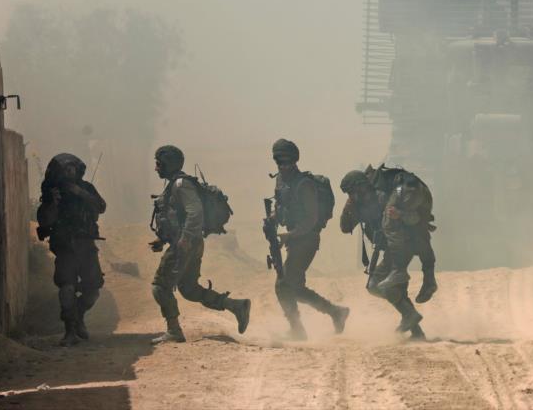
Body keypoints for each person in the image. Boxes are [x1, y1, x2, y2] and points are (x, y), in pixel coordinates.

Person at [150, 145, 251, 344]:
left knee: (160, 286)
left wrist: (185, 239)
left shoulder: (180, 185)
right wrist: (162, 240)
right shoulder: (175, 185)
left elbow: (195, 211)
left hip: (185, 244)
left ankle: (174, 330)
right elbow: (175, 217)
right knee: (188, 289)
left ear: (169, 164)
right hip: (189, 242)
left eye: (159, 163)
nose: (156, 168)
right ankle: (236, 306)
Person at [339, 166, 437, 339]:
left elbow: (415, 218)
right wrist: (348, 205)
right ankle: (416, 329)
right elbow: (345, 227)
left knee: (376, 284)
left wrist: (399, 215)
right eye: (350, 194)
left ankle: (411, 319)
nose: (354, 196)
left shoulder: (384, 196)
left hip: (405, 244)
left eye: (354, 192)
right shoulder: (359, 205)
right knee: (388, 287)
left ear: (362, 186)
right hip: (392, 248)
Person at [270, 139, 349, 340]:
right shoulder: (280, 180)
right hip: (294, 239)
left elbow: (311, 219)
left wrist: (291, 234)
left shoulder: (304, 184)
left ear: (295, 161)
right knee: (294, 288)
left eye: (288, 161)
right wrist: (272, 219)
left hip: (307, 240)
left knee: (283, 285)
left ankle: (298, 329)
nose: (284, 165)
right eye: (280, 161)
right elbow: (281, 207)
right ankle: (335, 312)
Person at [36, 153, 107, 347]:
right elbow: (45, 220)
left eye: (72, 169)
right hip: (65, 246)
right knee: (66, 287)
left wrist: (79, 192)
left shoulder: (86, 188)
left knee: (93, 290)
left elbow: (101, 207)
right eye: (65, 170)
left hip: (86, 245)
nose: (69, 172)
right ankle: (70, 330)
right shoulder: (53, 192)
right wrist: (53, 203)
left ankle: (78, 315)